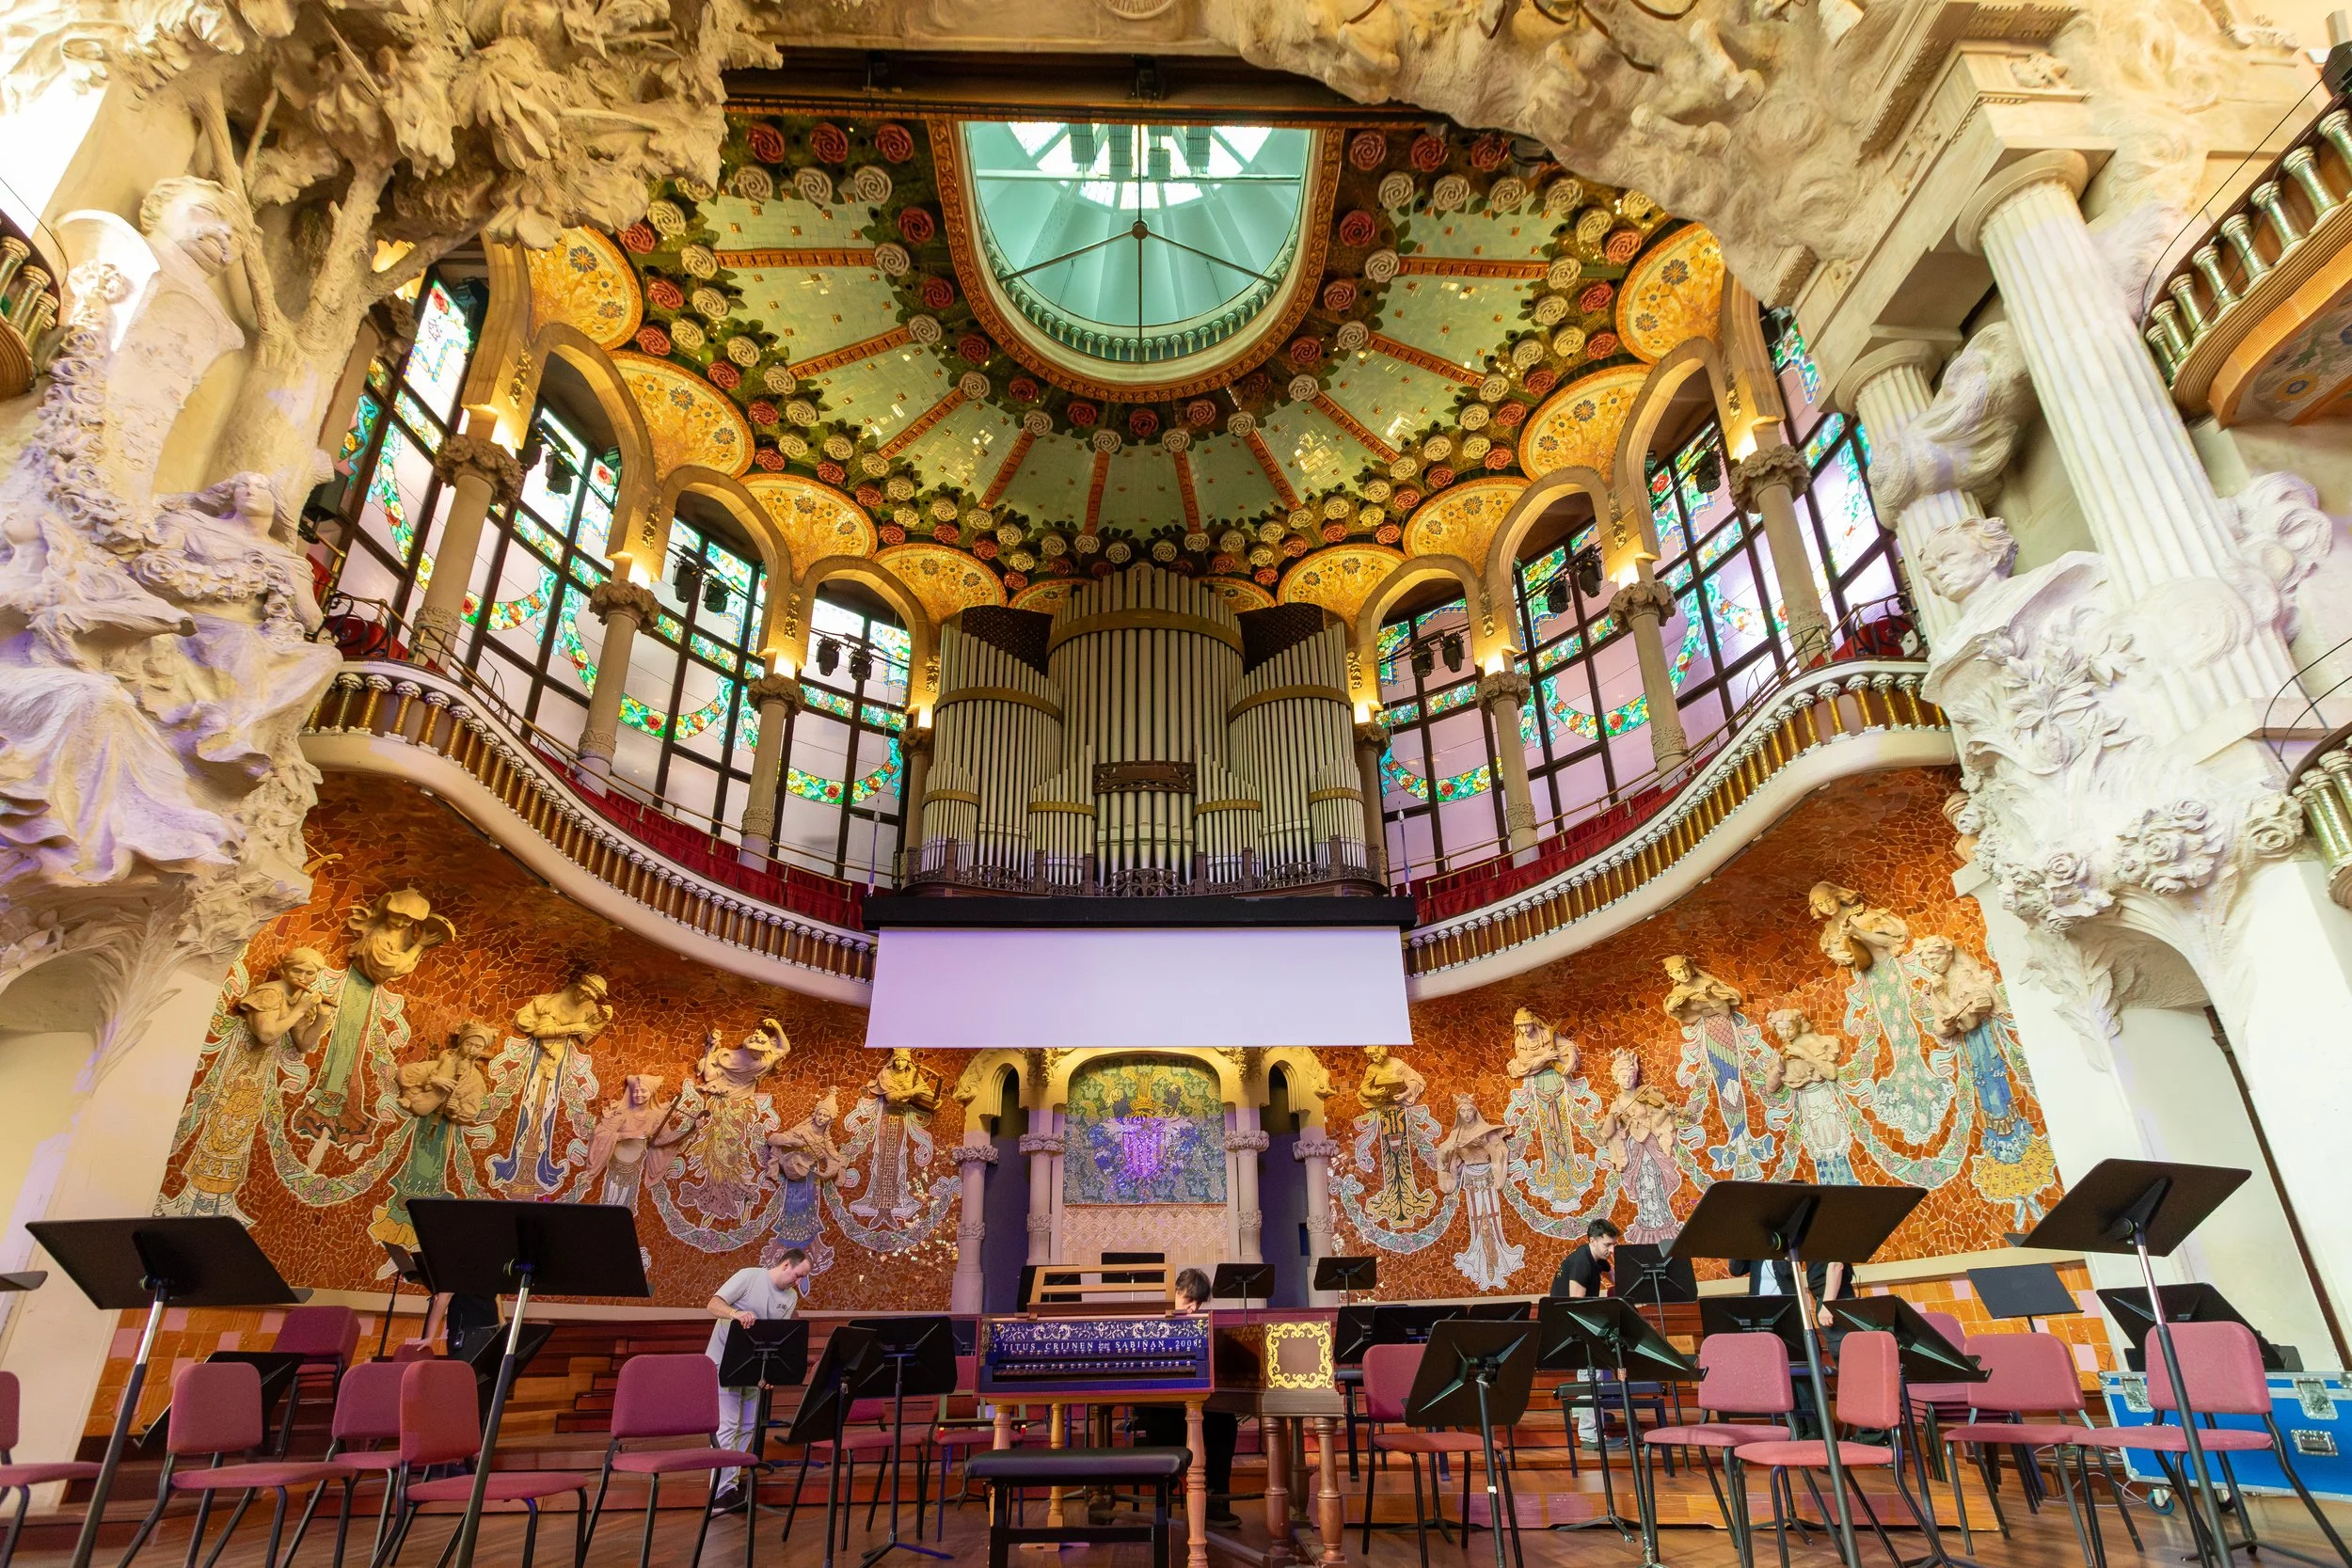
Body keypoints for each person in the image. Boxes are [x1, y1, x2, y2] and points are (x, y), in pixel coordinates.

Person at [1133, 1267, 1240, 1526]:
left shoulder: (1199, 1324)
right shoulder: (1153, 1320)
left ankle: (1216, 1501)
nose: (1193, 1309)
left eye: (1198, 1303)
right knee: (1165, 1421)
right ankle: (1164, 1494)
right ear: (1176, 1292)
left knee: (1226, 1423)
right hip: (1160, 1404)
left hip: (1192, 1403)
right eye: (1188, 1301)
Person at [707, 1249, 812, 1509]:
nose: (798, 1283)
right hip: (724, 1362)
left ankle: (731, 1486)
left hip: (755, 1367)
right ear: (786, 1264)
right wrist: (736, 1314)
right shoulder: (749, 1277)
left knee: (748, 1426)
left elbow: (778, 1336)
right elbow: (713, 1304)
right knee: (728, 1424)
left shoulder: (789, 1298)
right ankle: (718, 1493)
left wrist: (772, 1373)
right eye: (798, 1276)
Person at [1549, 1219, 1621, 1448]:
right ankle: (1590, 1434)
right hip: (1567, 1324)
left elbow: (1616, 1280)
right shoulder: (1582, 1263)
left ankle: (1587, 1411)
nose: (1611, 1250)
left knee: (1600, 1362)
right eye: (1608, 1245)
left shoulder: (1597, 1259)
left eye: (1614, 1245)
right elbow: (1575, 1305)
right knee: (1593, 1369)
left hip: (1574, 1320)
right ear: (1593, 1241)